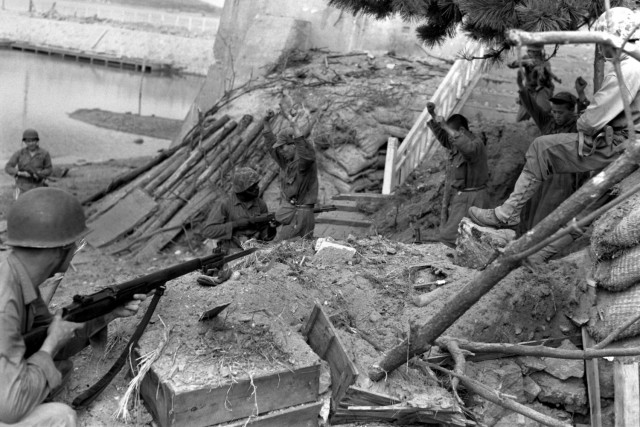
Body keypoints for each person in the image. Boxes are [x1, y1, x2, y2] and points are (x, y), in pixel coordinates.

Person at [469, 7, 640, 231]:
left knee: (541, 148)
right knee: (586, 208)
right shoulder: (633, 64)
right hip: (622, 143)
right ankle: (540, 254)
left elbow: (590, 121)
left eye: (601, 40)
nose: (600, 47)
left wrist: (583, 121)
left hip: (621, 144)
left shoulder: (628, 68)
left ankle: (507, 213)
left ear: (613, 38)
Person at [0, 187, 147, 426]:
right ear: (62, 250)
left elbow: (57, 341)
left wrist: (107, 313)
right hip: (6, 403)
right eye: (75, 244)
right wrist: (49, 346)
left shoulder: (16, 276)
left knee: (60, 368)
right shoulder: (5, 303)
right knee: (62, 417)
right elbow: (10, 408)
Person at [517, 75, 591, 232]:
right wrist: (521, 88)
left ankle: (537, 252)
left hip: (560, 181)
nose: (556, 115)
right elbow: (532, 106)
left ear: (572, 111)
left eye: (561, 112)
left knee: (544, 219)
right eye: (554, 112)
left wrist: (581, 95)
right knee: (528, 214)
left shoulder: (577, 126)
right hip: (540, 176)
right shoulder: (547, 122)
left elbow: (590, 117)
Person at [198, 167, 277, 286]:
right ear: (242, 189)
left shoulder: (260, 204)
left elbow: (265, 236)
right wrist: (235, 225)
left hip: (253, 252)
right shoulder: (225, 204)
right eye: (252, 187)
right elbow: (208, 231)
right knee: (231, 273)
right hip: (230, 253)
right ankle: (218, 275)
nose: (257, 188)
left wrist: (271, 228)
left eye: (256, 185)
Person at [426, 102, 490, 247]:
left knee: (451, 238)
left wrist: (447, 128)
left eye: (451, 134)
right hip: (463, 198)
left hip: (474, 199)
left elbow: (467, 149)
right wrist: (433, 115)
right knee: (457, 238)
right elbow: (444, 138)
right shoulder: (456, 141)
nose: (450, 138)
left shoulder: (475, 144)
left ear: (461, 130)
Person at [263, 108, 319, 240]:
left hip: (302, 215)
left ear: (293, 144)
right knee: (283, 247)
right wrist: (266, 122)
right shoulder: (286, 161)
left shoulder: (305, 161)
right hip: (291, 211)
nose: (281, 151)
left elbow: (305, 152)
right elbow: (271, 145)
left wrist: (295, 127)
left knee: (294, 249)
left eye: (283, 147)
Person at [5, 129, 53, 200]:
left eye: (33, 141)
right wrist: (20, 173)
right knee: (19, 206)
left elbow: (49, 169)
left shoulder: (44, 153)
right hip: (22, 186)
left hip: (38, 186)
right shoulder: (20, 153)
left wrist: (39, 174)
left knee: (40, 206)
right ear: (24, 142)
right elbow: (8, 167)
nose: (31, 143)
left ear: (37, 141)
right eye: (28, 141)